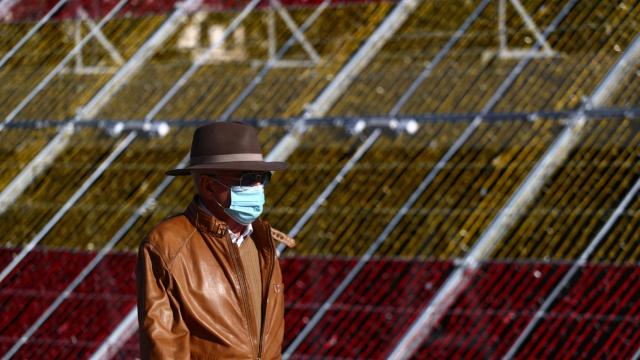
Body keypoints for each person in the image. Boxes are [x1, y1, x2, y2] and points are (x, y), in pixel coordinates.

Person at [136, 122, 295, 359]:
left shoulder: (261, 243)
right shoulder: (167, 245)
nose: (258, 187)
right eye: (248, 178)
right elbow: (164, 347)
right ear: (208, 186)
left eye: (263, 178)